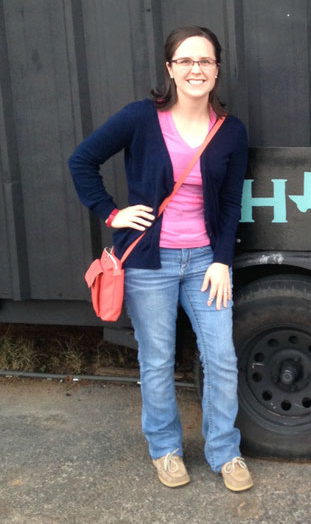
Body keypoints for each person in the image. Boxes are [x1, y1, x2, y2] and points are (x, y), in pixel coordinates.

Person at [68, 26, 251, 491]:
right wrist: (112, 212)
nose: (196, 69)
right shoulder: (139, 118)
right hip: (151, 263)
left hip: (205, 262)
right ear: (169, 68)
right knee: (156, 360)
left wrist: (221, 261)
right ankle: (165, 450)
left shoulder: (230, 131)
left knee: (222, 358)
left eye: (205, 61)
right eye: (186, 61)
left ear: (217, 70)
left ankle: (224, 452)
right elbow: (81, 161)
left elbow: (231, 204)